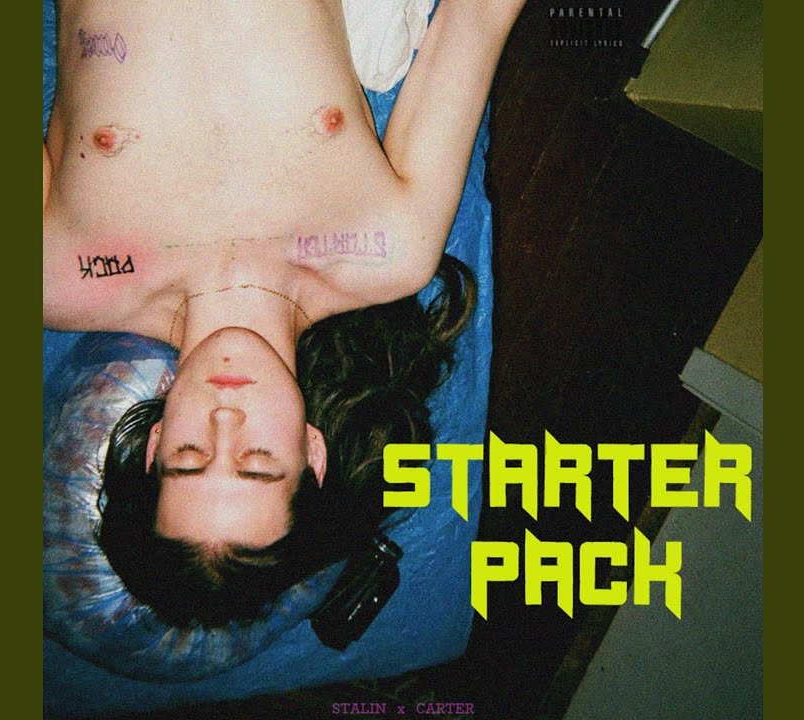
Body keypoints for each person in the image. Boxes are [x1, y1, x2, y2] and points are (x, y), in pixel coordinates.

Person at [43, 0, 525, 628]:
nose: (225, 419)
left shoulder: (61, 279)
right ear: (312, 454)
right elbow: (478, 16)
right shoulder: (390, 254)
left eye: (189, 455)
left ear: (154, 444)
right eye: (257, 461)